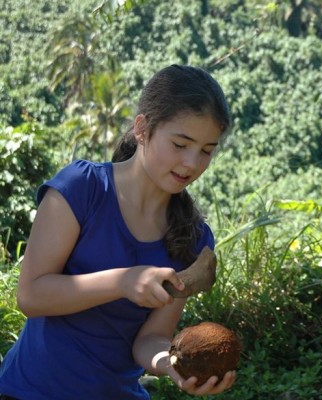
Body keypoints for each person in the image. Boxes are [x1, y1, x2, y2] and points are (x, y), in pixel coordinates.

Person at [0, 65, 236, 399]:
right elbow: (31, 296)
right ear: (142, 129)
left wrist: (170, 363)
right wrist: (123, 282)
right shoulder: (82, 188)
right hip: (30, 390)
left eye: (207, 150)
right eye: (181, 144)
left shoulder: (195, 239)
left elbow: (150, 338)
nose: (192, 163)